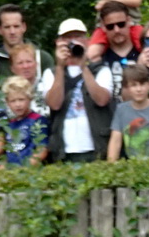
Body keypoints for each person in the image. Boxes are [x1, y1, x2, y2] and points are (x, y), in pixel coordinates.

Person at [46, 18, 114, 163]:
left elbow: (102, 100)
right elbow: (54, 104)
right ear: (59, 42)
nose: (73, 42)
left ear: (87, 41)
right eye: (67, 38)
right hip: (64, 151)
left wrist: (83, 66)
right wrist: (59, 67)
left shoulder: (101, 70)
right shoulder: (51, 73)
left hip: (96, 147)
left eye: (77, 36)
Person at [96, 0, 149, 102]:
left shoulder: (147, 54)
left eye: (121, 24)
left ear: (129, 21)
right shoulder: (100, 60)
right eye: (110, 26)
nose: (116, 30)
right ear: (103, 27)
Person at [107, 63, 149, 160]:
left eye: (142, 84)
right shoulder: (121, 109)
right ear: (127, 88)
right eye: (133, 85)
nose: (139, 89)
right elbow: (115, 141)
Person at [0, 3, 56, 79]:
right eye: (7, 27)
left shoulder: (43, 58)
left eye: (16, 26)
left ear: (24, 27)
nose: (12, 31)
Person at [0, 75, 48, 166]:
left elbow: (42, 150)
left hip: (29, 170)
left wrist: (25, 167)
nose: (17, 104)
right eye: (13, 101)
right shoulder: (9, 124)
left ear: (30, 99)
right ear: (7, 102)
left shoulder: (37, 120)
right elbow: (6, 153)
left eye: (21, 100)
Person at [8, 43, 53, 116]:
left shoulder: (46, 86)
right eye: (20, 63)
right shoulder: (7, 92)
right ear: (12, 68)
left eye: (29, 61)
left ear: (36, 64)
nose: (25, 66)